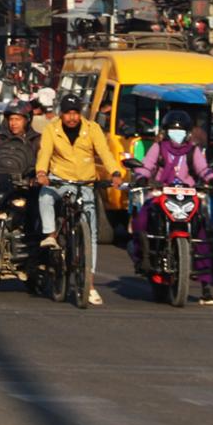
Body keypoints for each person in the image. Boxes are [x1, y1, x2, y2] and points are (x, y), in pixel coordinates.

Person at [34, 91, 126, 307]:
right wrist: (41, 173)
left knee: (91, 234)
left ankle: (90, 284)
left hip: (85, 184)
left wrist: (115, 173)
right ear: (61, 114)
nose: (72, 117)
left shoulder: (92, 129)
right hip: (59, 180)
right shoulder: (51, 130)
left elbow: (104, 153)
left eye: (76, 113)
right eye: (68, 113)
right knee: (45, 197)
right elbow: (44, 153)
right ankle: (50, 234)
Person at [128, 110, 213, 305]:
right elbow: (146, 165)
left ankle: (206, 287)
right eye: (172, 130)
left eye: (181, 131)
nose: (176, 134)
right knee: (141, 218)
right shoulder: (158, 148)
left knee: (202, 230)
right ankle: (141, 257)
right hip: (160, 194)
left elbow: (203, 169)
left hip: (188, 197)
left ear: (188, 133)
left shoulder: (193, 151)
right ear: (166, 132)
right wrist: (142, 177)